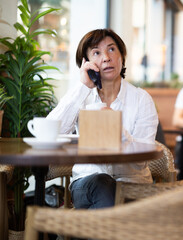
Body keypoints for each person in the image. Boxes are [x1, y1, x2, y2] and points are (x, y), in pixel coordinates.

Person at [47, 29, 158, 209]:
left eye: (112, 49)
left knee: (107, 199)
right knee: (102, 183)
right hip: (88, 183)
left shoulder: (141, 99)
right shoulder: (81, 96)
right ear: (86, 63)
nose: (106, 57)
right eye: (96, 52)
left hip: (133, 184)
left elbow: (140, 159)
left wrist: (114, 128)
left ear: (122, 56)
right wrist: (83, 86)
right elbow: (52, 132)